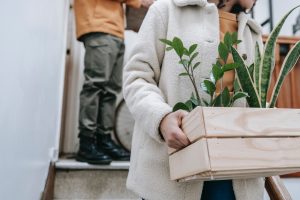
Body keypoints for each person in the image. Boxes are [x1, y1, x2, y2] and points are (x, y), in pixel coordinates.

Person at [123, 0, 264, 199]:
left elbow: (257, 97)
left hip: (236, 177)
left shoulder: (252, 32)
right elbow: (137, 77)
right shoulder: (166, 10)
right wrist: (161, 118)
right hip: (170, 170)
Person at [73, 0, 152, 164]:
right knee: (95, 86)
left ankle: (104, 140)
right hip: (98, 25)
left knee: (110, 90)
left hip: (114, 29)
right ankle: (86, 143)